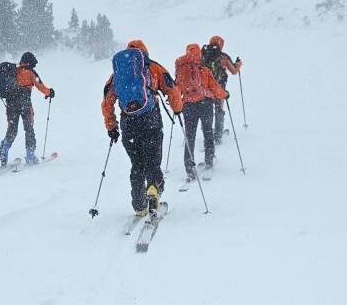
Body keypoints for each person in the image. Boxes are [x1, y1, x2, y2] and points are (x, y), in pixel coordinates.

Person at [101, 40, 184, 216]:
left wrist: (111, 126)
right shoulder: (153, 67)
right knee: (153, 160)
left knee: (137, 164)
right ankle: (153, 189)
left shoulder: (118, 74)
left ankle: (139, 205)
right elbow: (172, 89)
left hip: (128, 123)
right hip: (150, 120)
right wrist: (177, 108)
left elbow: (107, 100)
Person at [174, 43, 229, 182]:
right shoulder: (204, 70)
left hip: (187, 106)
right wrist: (224, 94)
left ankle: (189, 168)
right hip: (205, 104)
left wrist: (176, 105)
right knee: (208, 132)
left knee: (189, 137)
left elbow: (176, 88)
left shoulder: (181, 70)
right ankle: (209, 161)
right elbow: (215, 87)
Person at [0, 52, 54, 167]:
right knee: (29, 129)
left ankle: (4, 151)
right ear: (30, 62)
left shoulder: (13, 71)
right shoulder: (30, 72)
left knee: (12, 130)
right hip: (24, 105)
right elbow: (40, 86)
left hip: (11, 105)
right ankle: (30, 156)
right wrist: (50, 92)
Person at [201, 35, 242, 142]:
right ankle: (218, 136)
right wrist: (238, 65)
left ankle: (207, 133)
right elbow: (233, 71)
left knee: (207, 110)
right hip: (219, 87)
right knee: (219, 109)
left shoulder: (203, 55)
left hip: (205, 88)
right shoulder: (224, 57)